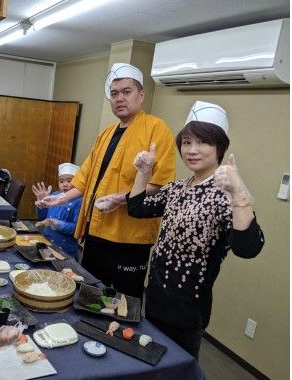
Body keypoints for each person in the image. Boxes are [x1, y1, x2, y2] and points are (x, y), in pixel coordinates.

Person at [127, 101, 265, 359]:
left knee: (177, 368)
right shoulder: (178, 187)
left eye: (203, 142)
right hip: (155, 296)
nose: (192, 150)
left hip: (188, 308)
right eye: (187, 142)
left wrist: (238, 191)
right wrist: (144, 173)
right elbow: (137, 208)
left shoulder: (225, 195)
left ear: (220, 147)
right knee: (150, 359)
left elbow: (248, 248)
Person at [37, 63, 176, 299]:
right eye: (114, 94)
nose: (119, 98)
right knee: (90, 292)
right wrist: (60, 198)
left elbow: (160, 184)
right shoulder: (107, 133)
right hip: (96, 231)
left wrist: (120, 199)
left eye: (126, 92)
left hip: (129, 237)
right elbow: (85, 177)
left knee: (123, 299)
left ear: (141, 95)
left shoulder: (156, 128)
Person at [32, 163, 83, 261]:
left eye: (69, 181)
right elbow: (42, 217)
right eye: (61, 181)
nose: (65, 184)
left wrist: (57, 223)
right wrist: (42, 204)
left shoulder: (79, 201)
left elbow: (76, 229)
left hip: (65, 248)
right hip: (47, 243)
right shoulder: (55, 195)